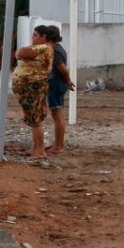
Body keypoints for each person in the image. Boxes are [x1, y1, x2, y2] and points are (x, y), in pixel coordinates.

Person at [10, 25, 54, 158]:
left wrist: (20, 53)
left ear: (43, 36)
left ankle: (40, 151)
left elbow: (20, 53)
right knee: (32, 117)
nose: (32, 38)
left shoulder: (44, 47)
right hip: (29, 86)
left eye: (35, 35)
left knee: (35, 119)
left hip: (33, 86)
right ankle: (35, 147)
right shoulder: (40, 48)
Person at [44, 25, 75, 154]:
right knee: (58, 115)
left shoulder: (55, 51)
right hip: (58, 83)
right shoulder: (58, 49)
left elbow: (62, 68)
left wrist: (68, 80)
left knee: (57, 116)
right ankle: (59, 144)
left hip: (56, 83)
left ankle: (58, 147)